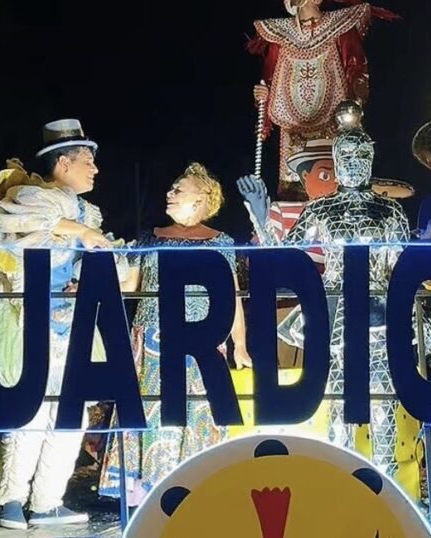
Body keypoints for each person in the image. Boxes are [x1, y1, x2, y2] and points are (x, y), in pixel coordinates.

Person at [238, 103, 411, 485]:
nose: (354, 162)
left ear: (371, 158)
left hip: (379, 319)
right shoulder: (320, 211)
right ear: (336, 159)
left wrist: (415, 318)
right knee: (335, 407)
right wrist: (260, 213)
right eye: (346, 155)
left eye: (361, 154)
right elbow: (283, 258)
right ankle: (339, 483)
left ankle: (388, 488)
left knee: (382, 405)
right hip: (334, 319)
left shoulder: (390, 213)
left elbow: (405, 271)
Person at [0, 119, 130, 529]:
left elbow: (85, 256)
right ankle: (12, 499)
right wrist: (82, 232)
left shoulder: (88, 212)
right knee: (31, 410)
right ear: (63, 163)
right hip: (32, 319)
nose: (95, 169)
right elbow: (15, 224)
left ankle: (48, 501)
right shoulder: (34, 196)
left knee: (72, 414)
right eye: (88, 161)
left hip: (72, 323)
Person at [98, 162, 252, 506]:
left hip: (202, 340)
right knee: (152, 412)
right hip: (153, 338)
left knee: (198, 413)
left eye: (179, 188)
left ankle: (196, 485)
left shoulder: (220, 243)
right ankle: (147, 489)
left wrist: (239, 342)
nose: (170, 192)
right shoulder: (150, 238)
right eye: (171, 187)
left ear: (202, 199)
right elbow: (129, 283)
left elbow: (232, 296)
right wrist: (90, 280)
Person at [248, 0, 396, 196]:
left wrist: (356, 100)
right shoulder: (280, 33)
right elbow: (270, 78)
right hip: (292, 128)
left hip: (333, 121)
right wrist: (263, 95)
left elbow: (356, 68)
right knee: (295, 185)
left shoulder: (339, 25)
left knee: (332, 183)